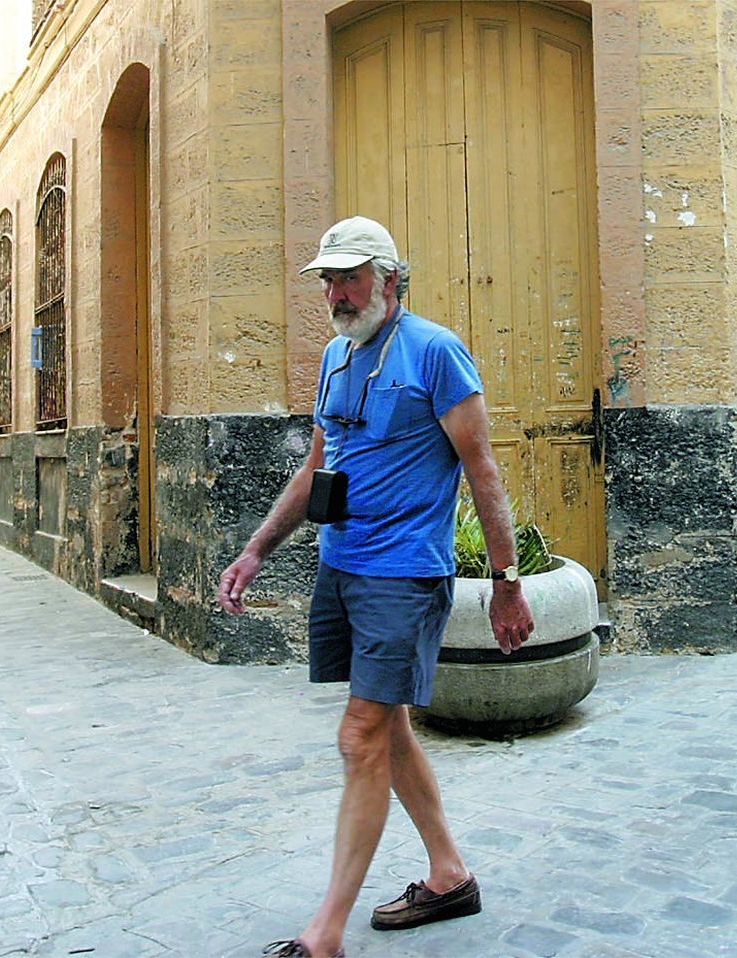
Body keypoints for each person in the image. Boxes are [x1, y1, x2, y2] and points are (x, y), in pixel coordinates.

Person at [219, 215, 534, 958]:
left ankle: (324, 933)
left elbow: (482, 471)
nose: (334, 291)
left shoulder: (436, 354)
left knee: (359, 733)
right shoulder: (335, 354)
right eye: (327, 278)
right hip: (343, 565)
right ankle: (450, 875)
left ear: (390, 279)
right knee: (386, 728)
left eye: (348, 276)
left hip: (404, 573)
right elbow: (316, 468)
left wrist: (506, 582)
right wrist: (258, 548)